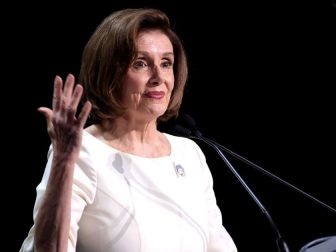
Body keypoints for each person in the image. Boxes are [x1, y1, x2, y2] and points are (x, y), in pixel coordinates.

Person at [19, 8, 237, 252]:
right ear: (110, 73)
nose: (158, 77)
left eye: (166, 63)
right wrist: (62, 162)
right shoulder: (82, 150)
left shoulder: (189, 153)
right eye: (141, 63)